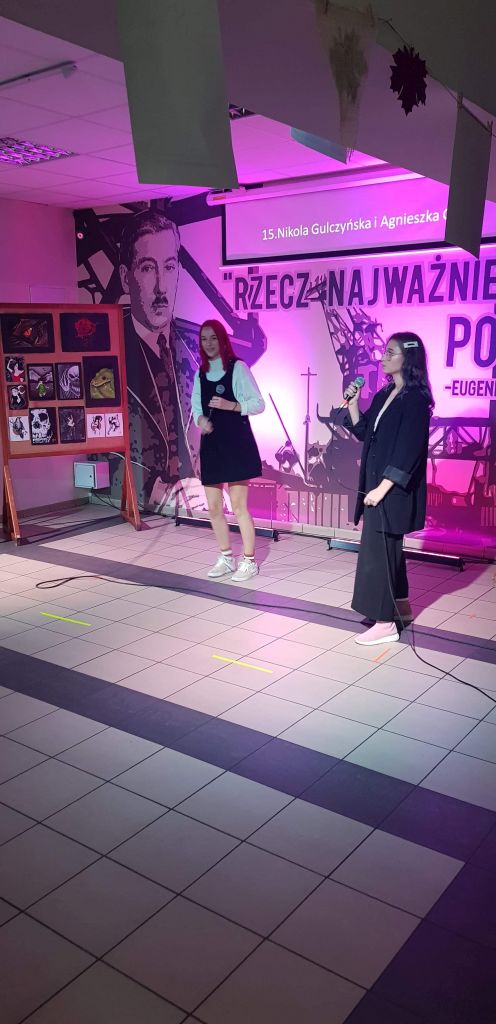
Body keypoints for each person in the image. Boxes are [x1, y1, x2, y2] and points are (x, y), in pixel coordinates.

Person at [344, 332, 433, 645]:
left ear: (408, 358)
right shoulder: (385, 393)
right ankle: (400, 608)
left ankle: (384, 624)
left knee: (378, 553)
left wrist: (382, 488)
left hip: (392, 490)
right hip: (377, 484)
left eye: (390, 352)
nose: (383, 357)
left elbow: (409, 451)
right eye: (385, 351)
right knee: (388, 550)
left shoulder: (416, 399)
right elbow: (364, 432)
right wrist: (353, 404)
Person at [118, 210, 199, 508]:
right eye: (148, 268)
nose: (161, 287)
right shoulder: (108, 350)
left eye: (169, 267)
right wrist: (154, 491)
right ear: (126, 278)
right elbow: (99, 447)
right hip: (149, 506)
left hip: (199, 500)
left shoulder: (198, 348)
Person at [192, 319, 265, 582]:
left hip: (236, 444)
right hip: (212, 445)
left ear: (223, 340)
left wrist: (231, 405)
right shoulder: (200, 373)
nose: (209, 343)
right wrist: (201, 420)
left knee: (238, 506)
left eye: (213, 338)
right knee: (213, 507)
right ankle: (226, 557)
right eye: (204, 339)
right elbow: (196, 408)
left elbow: (258, 404)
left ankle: (249, 561)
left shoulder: (238, 368)